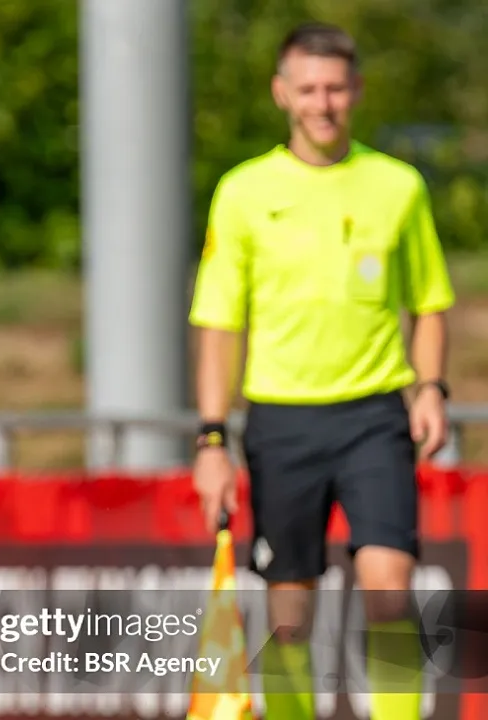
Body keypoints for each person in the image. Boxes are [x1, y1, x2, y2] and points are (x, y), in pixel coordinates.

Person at [188, 22, 454, 720]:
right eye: (307, 88)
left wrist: (430, 387)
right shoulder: (242, 192)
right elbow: (218, 326)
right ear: (282, 94)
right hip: (280, 422)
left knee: (390, 590)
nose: (323, 102)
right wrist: (212, 440)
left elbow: (430, 305)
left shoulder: (399, 186)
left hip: (375, 415)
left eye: (336, 87)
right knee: (288, 618)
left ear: (357, 90)